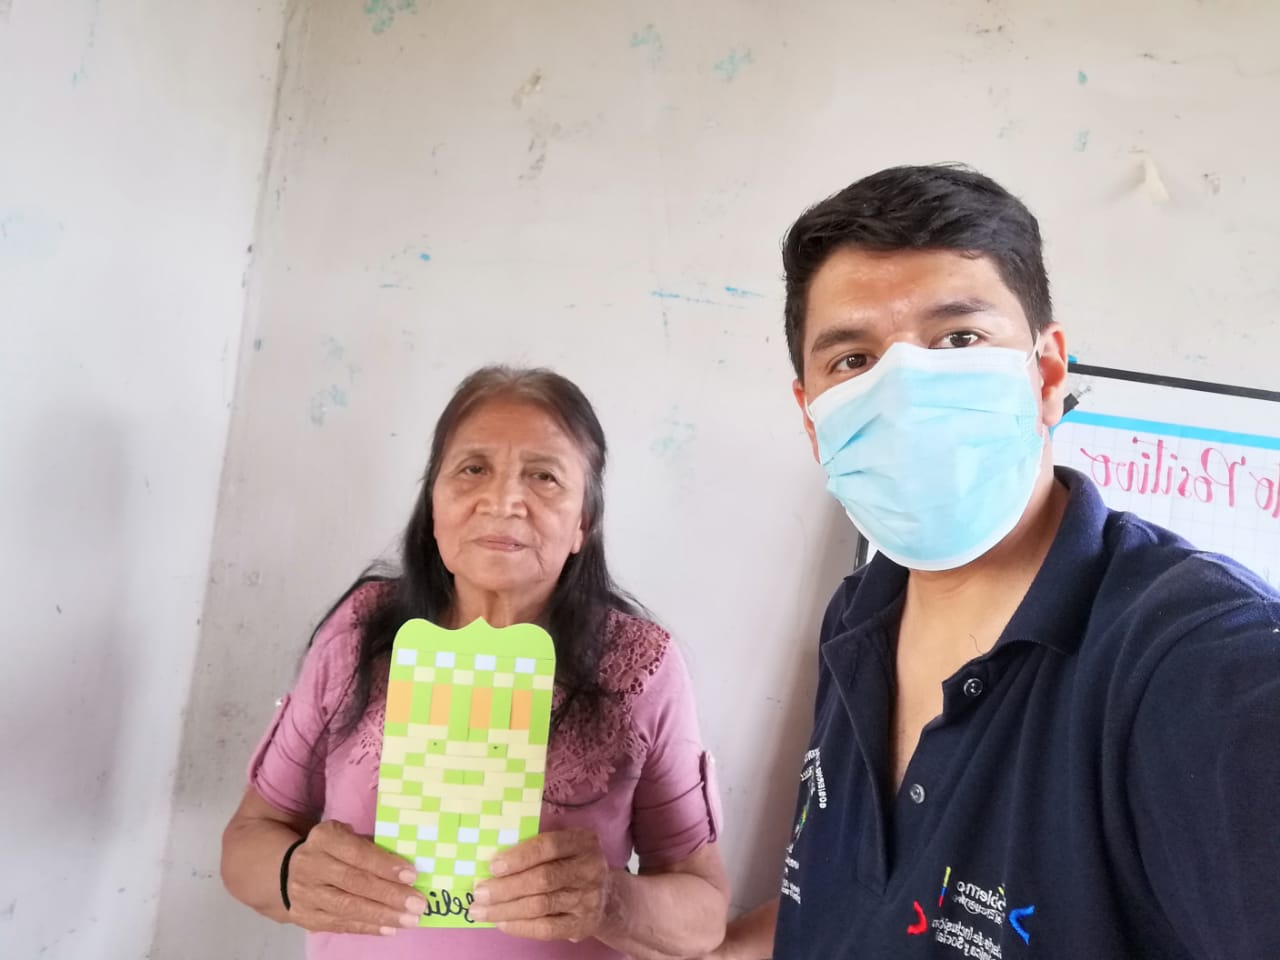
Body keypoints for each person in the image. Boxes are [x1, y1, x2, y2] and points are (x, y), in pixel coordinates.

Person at [707, 165, 1280, 959]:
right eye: (853, 360)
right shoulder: (858, 618)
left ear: (1047, 374)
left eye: (958, 339)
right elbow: (861, 909)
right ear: (811, 417)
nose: (904, 394)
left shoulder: (1192, 663)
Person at [222, 365, 729, 960]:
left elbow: (704, 915)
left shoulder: (640, 665)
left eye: (543, 476)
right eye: (473, 469)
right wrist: (292, 875)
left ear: (582, 524)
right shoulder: (360, 633)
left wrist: (612, 902)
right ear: (433, 505)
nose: (503, 501)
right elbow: (246, 842)